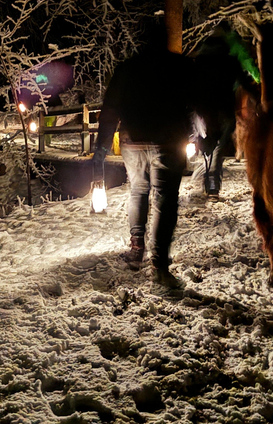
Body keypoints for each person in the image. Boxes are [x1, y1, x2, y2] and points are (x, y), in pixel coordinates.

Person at [92, 19, 194, 288]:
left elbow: (110, 109)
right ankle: (160, 265)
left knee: (138, 190)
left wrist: (101, 146)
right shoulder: (179, 66)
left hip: (132, 140)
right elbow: (194, 101)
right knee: (164, 199)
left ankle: (137, 249)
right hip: (168, 141)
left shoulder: (127, 69)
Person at [191, 24, 259, 198]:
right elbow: (244, 81)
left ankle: (207, 175)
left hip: (203, 110)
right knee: (219, 148)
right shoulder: (230, 60)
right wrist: (258, 97)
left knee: (205, 141)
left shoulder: (198, 63)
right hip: (224, 110)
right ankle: (213, 184)